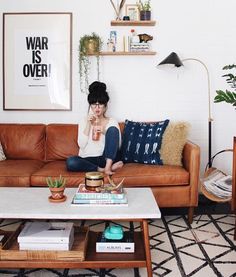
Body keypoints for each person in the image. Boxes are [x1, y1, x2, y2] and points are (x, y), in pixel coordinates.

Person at [66, 81, 123, 175]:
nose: (97, 108)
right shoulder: (84, 121)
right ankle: (102, 170)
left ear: (105, 106)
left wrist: (105, 132)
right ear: (90, 106)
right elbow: (81, 145)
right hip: (88, 159)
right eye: (94, 104)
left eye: (100, 104)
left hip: (105, 158)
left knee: (112, 130)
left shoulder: (112, 121)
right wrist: (88, 124)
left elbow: (118, 145)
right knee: (71, 162)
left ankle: (108, 167)